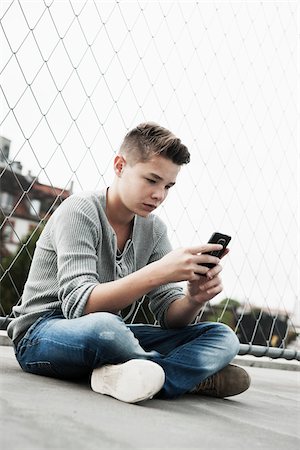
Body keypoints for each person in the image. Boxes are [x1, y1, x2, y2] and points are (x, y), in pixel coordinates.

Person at [8, 122, 250, 403]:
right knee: (106, 330)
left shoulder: (154, 229)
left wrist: (193, 299)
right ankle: (183, 377)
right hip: (42, 335)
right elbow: (80, 306)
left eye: (168, 186)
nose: (159, 194)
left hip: (111, 333)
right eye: (151, 180)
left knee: (222, 336)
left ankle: (135, 375)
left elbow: (170, 318)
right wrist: (156, 273)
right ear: (120, 166)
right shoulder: (80, 210)